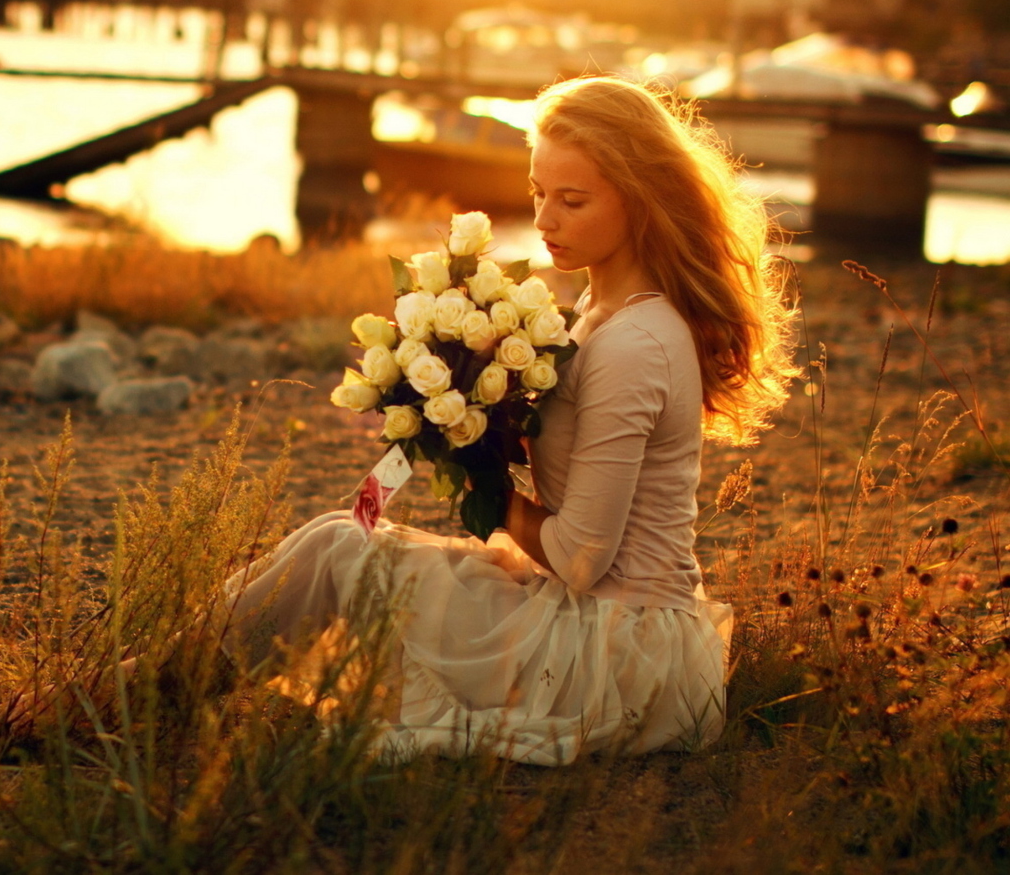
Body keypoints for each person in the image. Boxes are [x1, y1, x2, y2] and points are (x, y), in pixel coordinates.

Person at [216, 75, 797, 766]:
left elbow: (583, 558)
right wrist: (457, 404)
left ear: (641, 202)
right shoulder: (600, 313)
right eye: (538, 193)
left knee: (343, 551)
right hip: (597, 622)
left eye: (572, 200)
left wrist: (479, 485)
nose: (546, 219)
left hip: (613, 654)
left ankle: (149, 690)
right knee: (337, 535)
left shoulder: (636, 343)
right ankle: (159, 677)